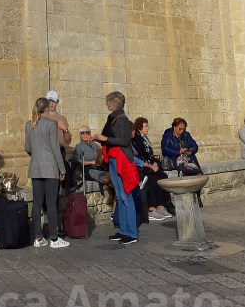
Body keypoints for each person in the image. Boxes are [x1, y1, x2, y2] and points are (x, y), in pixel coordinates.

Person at [93, 91, 139, 245]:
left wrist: (105, 138)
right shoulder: (113, 118)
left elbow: (124, 140)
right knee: (119, 197)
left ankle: (131, 233)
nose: (107, 105)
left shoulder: (122, 119)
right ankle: (123, 230)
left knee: (126, 195)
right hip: (113, 159)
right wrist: (99, 138)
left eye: (108, 102)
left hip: (122, 160)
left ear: (112, 103)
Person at [24, 97, 69, 247]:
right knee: (51, 203)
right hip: (50, 168)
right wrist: (62, 169)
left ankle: (38, 238)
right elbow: (56, 149)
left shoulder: (29, 124)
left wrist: (37, 156)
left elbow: (27, 148)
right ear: (46, 109)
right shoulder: (50, 124)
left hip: (35, 167)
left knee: (37, 203)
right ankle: (54, 238)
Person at [132, 117, 173, 219]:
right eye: (145, 126)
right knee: (153, 179)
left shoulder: (145, 139)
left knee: (163, 176)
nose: (147, 128)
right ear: (139, 127)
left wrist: (154, 163)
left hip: (149, 165)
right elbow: (140, 156)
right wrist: (150, 165)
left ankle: (162, 205)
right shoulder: (137, 139)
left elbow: (150, 155)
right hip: (143, 168)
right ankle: (152, 208)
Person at [73, 126, 106, 191]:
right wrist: (90, 162)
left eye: (87, 132)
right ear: (80, 135)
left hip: (100, 167)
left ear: (90, 134)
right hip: (89, 168)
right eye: (82, 133)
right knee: (109, 178)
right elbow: (77, 160)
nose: (85, 134)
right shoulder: (79, 146)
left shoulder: (95, 145)